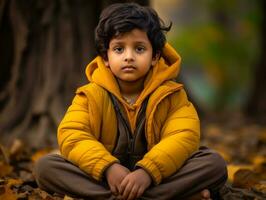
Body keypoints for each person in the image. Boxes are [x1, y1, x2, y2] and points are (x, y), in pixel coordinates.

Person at [34, 3, 227, 200]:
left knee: (214, 164)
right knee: (46, 167)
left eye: (139, 49)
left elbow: (183, 136)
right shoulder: (90, 95)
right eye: (119, 49)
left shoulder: (172, 95)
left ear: (155, 56)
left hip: (156, 176)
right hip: (107, 177)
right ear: (106, 57)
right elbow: (72, 135)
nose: (128, 57)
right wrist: (108, 167)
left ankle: (116, 197)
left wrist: (147, 172)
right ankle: (168, 196)